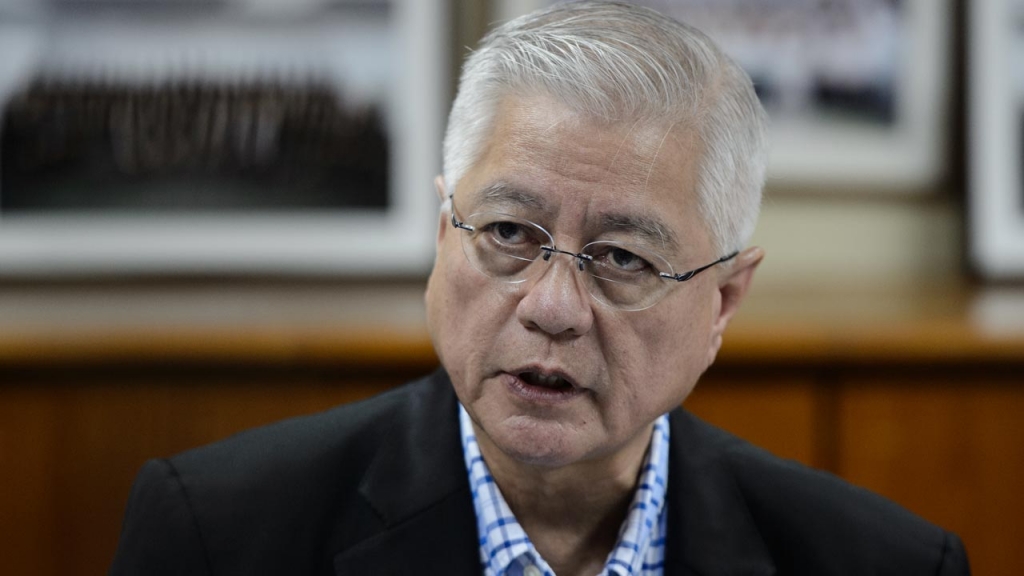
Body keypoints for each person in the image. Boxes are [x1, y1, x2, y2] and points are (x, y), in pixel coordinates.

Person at [110, 2, 970, 575]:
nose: (551, 308)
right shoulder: (215, 536)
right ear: (442, 233)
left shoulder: (884, 563)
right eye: (510, 235)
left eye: (624, 259)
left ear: (724, 304)